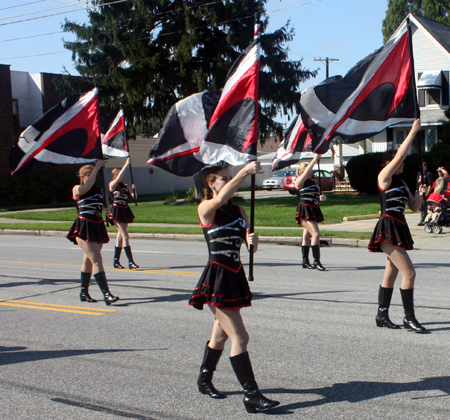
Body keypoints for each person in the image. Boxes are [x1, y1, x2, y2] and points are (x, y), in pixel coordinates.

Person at [188, 161, 280, 413]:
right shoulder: (206, 209)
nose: (228, 182)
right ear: (211, 183)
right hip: (217, 278)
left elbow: (248, 248)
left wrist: (253, 243)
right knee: (240, 336)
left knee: (220, 335)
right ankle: (252, 395)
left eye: (230, 178)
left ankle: (204, 379)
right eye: (223, 179)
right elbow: (221, 198)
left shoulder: (239, 210)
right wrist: (243, 174)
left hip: (235, 275)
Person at [368, 119, 426, 333]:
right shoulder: (384, 177)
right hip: (387, 227)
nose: (403, 163)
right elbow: (401, 155)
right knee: (409, 273)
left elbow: (413, 206)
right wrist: (412, 132)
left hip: (399, 226)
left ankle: (382, 315)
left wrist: (421, 194)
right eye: (399, 161)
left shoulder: (401, 183)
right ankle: (409, 318)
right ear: (388, 163)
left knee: (390, 274)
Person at [67, 160, 119, 306]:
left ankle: (83, 292)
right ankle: (107, 294)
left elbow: (106, 207)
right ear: (82, 176)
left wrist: (109, 215)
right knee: (97, 260)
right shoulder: (77, 188)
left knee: (88, 260)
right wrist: (97, 167)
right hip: (84, 227)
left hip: (97, 226)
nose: (92, 176)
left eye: (93, 174)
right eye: (88, 174)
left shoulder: (99, 191)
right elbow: (87, 186)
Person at [294, 154, 327, 271]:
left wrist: (322, 196)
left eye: (310, 171)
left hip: (314, 209)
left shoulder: (313, 183)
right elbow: (299, 182)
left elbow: (319, 193)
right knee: (316, 234)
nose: (309, 173)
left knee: (307, 236)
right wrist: (315, 159)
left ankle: (305, 261)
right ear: (302, 172)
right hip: (305, 210)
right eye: (306, 171)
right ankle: (316, 261)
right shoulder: (299, 182)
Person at [109, 158, 139, 269]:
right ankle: (130, 261)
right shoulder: (113, 185)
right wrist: (126, 165)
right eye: (121, 175)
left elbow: (134, 197)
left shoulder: (125, 186)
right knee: (125, 235)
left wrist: (134, 190)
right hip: (117, 211)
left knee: (120, 237)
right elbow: (115, 181)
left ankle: (116, 261)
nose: (123, 177)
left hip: (125, 209)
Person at [416, 162, 433, 226]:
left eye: (424, 166)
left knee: (423, 205)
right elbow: (418, 182)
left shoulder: (428, 174)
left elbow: (429, 184)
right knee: (419, 206)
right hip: (418, 190)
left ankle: (423, 220)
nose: (423, 167)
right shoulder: (419, 174)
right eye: (422, 166)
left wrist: (427, 192)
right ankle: (426, 216)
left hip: (424, 191)